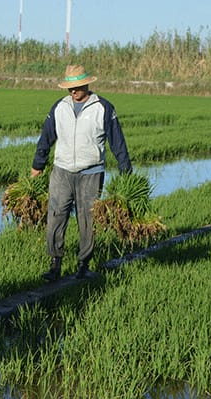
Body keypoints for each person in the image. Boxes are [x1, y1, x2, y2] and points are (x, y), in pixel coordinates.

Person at [31, 65, 132, 282]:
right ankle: (55, 264)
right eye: (70, 88)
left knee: (87, 218)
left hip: (91, 172)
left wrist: (126, 172)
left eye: (77, 87)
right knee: (56, 215)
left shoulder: (103, 108)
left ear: (86, 84)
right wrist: (37, 166)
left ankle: (84, 265)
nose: (73, 92)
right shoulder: (60, 107)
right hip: (62, 170)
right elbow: (46, 137)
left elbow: (118, 142)